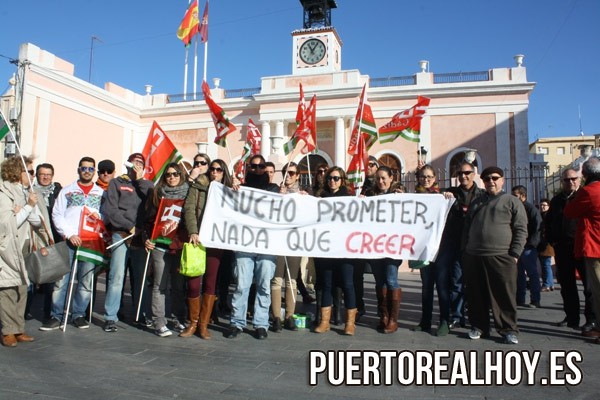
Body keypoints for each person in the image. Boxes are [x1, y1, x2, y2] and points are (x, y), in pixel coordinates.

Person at [462, 166, 527, 344]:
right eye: (487, 178)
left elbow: (521, 229)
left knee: (504, 295)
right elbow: (467, 228)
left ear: (502, 180)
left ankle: (508, 329)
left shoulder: (512, 201)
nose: (491, 181)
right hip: (474, 256)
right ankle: (479, 327)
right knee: (476, 294)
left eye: (495, 178)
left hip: (502, 256)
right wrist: (465, 250)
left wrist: (514, 254)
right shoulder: (477, 202)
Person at [40, 157, 105, 331]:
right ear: (78, 170)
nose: (87, 172)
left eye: (90, 169)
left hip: (90, 242)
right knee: (61, 281)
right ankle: (56, 315)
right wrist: (69, 234)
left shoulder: (101, 193)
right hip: (70, 241)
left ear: (94, 171)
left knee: (86, 281)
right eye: (84, 168)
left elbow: (106, 216)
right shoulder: (67, 191)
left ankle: (78, 314)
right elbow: (57, 214)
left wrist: (100, 218)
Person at [226, 155, 279, 340]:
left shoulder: (274, 190)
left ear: (265, 168)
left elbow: (287, 208)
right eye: (253, 166)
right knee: (242, 284)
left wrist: (296, 197)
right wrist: (231, 190)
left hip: (267, 244)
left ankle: (261, 323)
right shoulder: (241, 188)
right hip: (245, 243)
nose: (257, 169)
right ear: (248, 168)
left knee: (264, 285)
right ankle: (237, 322)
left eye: (261, 166)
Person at [101, 153, 154, 333]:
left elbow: (152, 200)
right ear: (128, 164)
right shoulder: (117, 183)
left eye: (140, 163)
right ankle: (110, 317)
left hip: (140, 236)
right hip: (121, 233)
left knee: (141, 277)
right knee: (116, 276)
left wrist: (140, 180)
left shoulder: (146, 185)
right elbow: (111, 210)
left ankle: (141, 314)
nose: (137, 165)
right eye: (134, 162)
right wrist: (128, 226)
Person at [181, 158, 233, 339]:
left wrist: (237, 191)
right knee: (193, 282)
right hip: (198, 239)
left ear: (224, 173)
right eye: (212, 169)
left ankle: (203, 324)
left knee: (211, 283)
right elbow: (189, 209)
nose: (215, 172)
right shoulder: (198, 186)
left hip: (216, 241)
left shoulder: (229, 191)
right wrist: (193, 231)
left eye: (219, 170)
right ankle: (192, 322)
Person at [0, 156, 49, 347]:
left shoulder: (29, 192)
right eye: (29, 171)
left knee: (23, 288)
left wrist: (29, 208)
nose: (33, 175)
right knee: (8, 288)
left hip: (27, 243)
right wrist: (27, 207)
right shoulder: (4, 192)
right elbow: (8, 224)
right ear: (16, 172)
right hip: (9, 246)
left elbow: (37, 221)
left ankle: (18, 328)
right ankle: (8, 331)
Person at [437, 161, 485, 330]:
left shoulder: (482, 195)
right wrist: (443, 195)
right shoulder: (450, 193)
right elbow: (432, 197)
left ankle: (477, 316)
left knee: (476, 283)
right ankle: (457, 316)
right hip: (455, 243)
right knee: (456, 281)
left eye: (466, 173)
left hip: (475, 244)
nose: (463, 176)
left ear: (474, 174)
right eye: (460, 173)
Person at [546, 168, 595, 331]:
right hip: (562, 247)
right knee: (567, 285)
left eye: (573, 179)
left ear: (579, 179)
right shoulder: (556, 200)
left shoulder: (584, 195)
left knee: (588, 286)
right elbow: (549, 221)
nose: (570, 182)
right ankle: (572, 317)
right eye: (567, 180)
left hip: (581, 247)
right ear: (562, 182)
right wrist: (552, 240)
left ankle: (591, 319)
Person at [143, 163, 189, 337]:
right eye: (168, 174)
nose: (172, 177)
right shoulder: (156, 193)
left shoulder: (188, 193)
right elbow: (147, 219)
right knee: (159, 285)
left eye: (176, 174)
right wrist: (146, 238)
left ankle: (178, 318)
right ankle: (159, 322)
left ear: (181, 175)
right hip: (160, 244)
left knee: (178, 285)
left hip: (179, 244)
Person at [313, 166, 358, 336]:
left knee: (347, 284)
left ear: (342, 180)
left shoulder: (349, 198)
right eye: (330, 178)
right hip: (326, 249)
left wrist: (362, 202)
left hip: (345, 249)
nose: (332, 181)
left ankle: (350, 323)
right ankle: (325, 322)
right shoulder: (320, 198)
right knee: (326, 284)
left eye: (336, 178)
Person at [412, 164, 452, 336]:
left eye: (429, 176)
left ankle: (444, 321)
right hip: (423, 249)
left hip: (441, 249)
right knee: (426, 287)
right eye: (422, 176)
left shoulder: (442, 196)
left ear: (435, 178)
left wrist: (448, 197)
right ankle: (425, 321)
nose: (426, 179)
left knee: (442, 287)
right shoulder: (412, 197)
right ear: (418, 178)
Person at [364, 165, 405, 333]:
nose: (380, 181)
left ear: (391, 178)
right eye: (378, 178)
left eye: (383, 178)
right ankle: (384, 316)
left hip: (393, 245)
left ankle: (393, 320)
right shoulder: (369, 195)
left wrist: (403, 199)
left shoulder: (399, 194)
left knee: (391, 279)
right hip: (375, 245)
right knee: (380, 281)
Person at [564, 157, 600, 342]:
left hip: (595, 248)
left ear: (584, 175)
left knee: (597, 290)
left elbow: (570, 212)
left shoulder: (588, 191)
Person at [271, 162, 305, 332]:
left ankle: (290, 316)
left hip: (294, 242)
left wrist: (305, 199)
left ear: (298, 176)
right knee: (277, 279)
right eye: (286, 172)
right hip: (277, 241)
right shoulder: (276, 192)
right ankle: (276, 316)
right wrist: (278, 198)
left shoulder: (303, 194)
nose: (288, 175)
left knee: (291, 279)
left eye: (292, 173)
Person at [29, 163, 63, 321]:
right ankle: (26, 310)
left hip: (54, 240)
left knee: (51, 280)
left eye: (48, 174)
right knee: (32, 278)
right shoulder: (31, 192)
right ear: (37, 175)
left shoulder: (58, 193)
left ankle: (49, 312)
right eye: (42, 174)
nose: (45, 177)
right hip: (37, 239)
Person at [511, 185, 543, 308]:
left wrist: (531, 244)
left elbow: (538, 227)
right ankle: (520, 298)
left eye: (515, 195)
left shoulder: (531, 209)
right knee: (519, 274)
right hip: (517, 246)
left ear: (523, 196)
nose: (513, 198)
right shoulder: (515, 208)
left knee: (532, 273)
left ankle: (535, 299)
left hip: (528, 246)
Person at [537, 199, 555, 292]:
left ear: (548, 206)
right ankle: (550, 284)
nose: (542, 207)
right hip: (542, 243)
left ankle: (547, 284)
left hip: (547, 244)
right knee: (546, 264)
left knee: (546, 264)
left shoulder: (548, 216)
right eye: (541, 205)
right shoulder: (540, 215)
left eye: (544, 205)